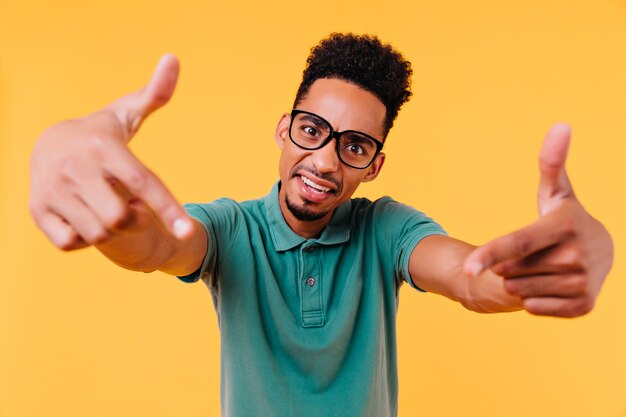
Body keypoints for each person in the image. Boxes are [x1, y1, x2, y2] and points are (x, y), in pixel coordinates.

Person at [29, 33, 614, 416]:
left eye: (355, 145)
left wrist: (543, 269)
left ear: (374, 165)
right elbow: (158, 244)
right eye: (313, 131)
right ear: (285, 129)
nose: (327, 160)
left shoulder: (386, 230)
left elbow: (469, 277)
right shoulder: (232, 230)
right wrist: (109, 215)